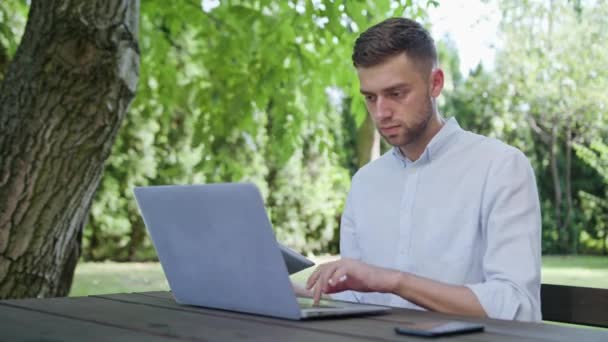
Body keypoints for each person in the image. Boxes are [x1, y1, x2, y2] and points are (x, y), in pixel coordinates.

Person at [303, 17, 542, 321]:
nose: (381, 113)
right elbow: (357, 296)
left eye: (396, 93)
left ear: (435, 83)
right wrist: (296, 291)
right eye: (370, 97)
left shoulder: (501, 168)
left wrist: (394, 281)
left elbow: (518, 306)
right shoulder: (365, 182)